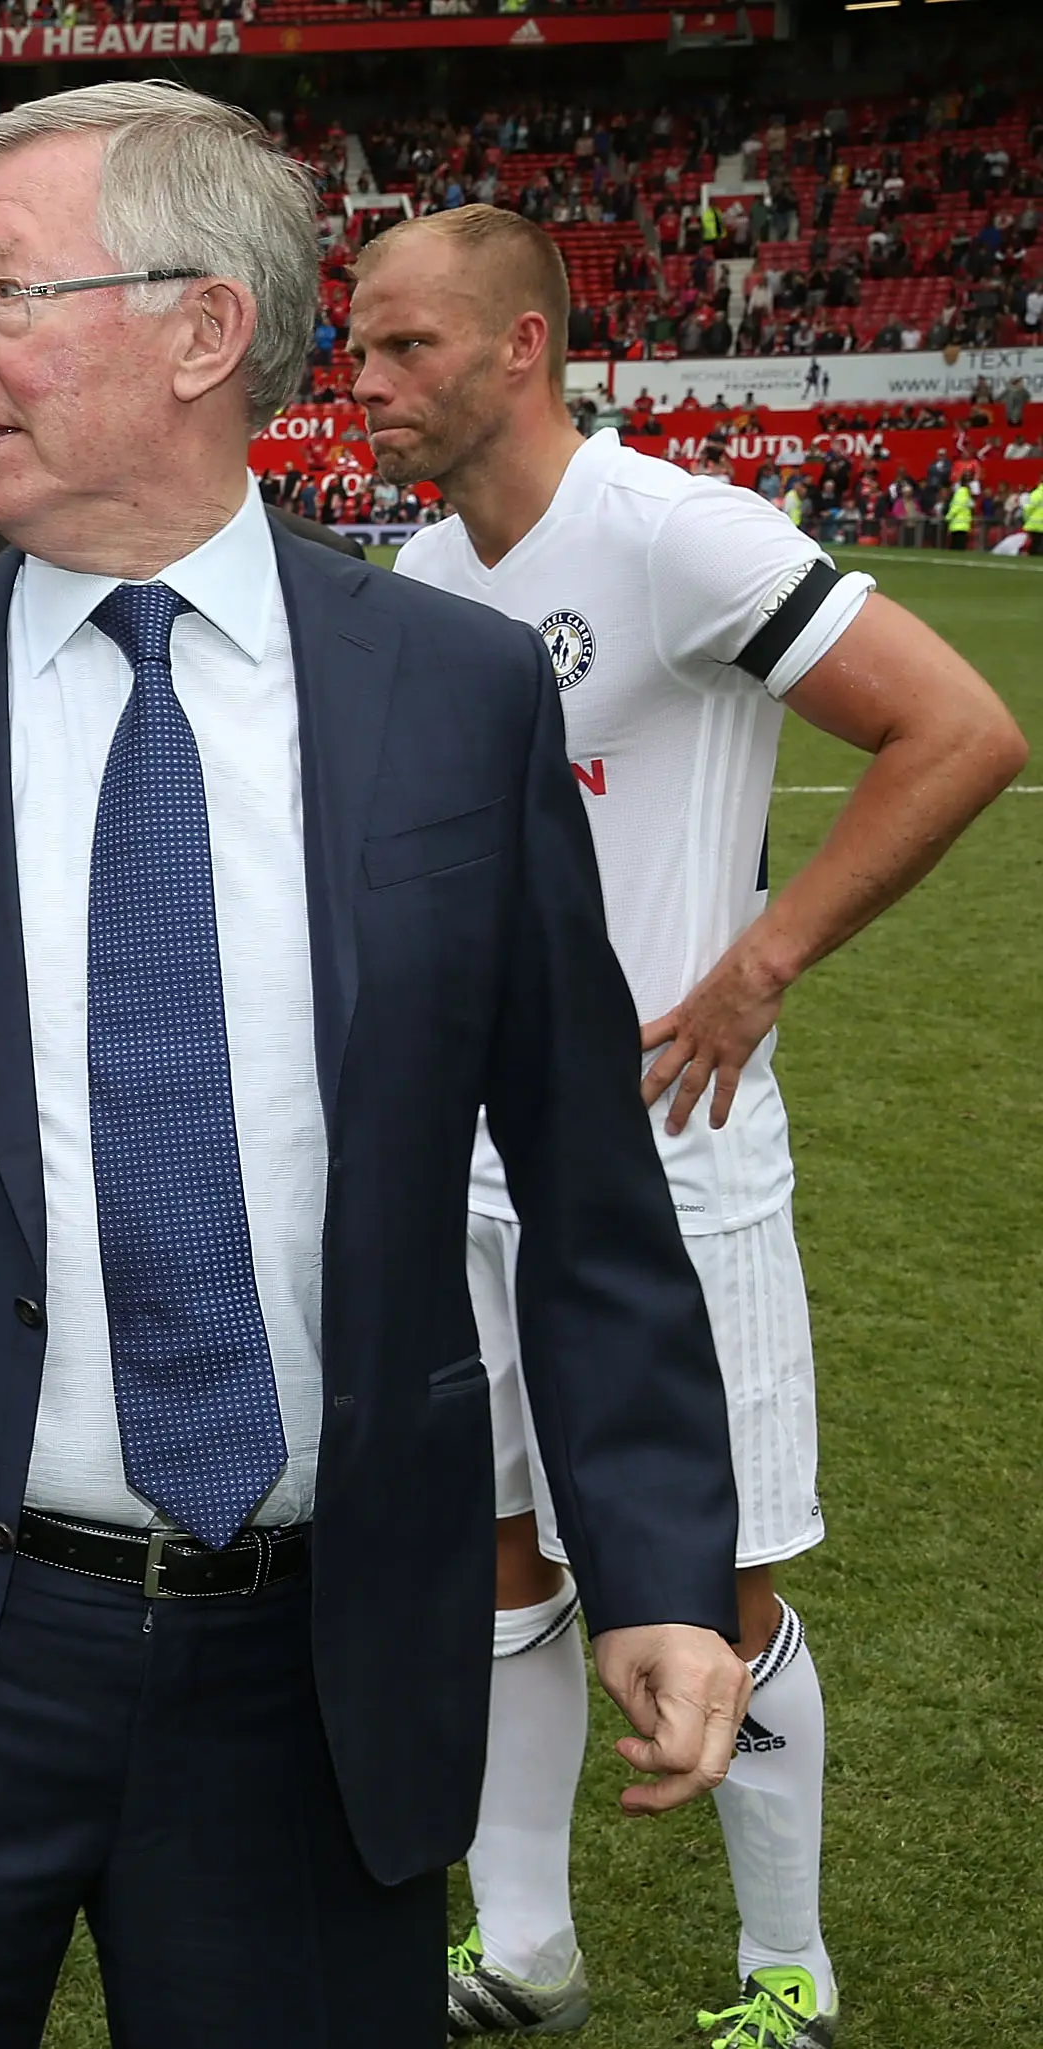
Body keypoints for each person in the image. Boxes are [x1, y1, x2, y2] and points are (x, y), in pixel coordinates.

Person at [0, 85, 750, 2049]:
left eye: (3, 294)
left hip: (319, 1675)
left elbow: (585, 1175)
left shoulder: (455, 696)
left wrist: (654, 1560)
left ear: (206, 329)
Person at [353, 204, 1027, 2048]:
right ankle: (527, 1943)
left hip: (666, 1151)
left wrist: (761, 961)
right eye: (359, 347)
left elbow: (962, 730)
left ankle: (786, 1968)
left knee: (714, 1579)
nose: (368, 382)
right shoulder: (424, 569)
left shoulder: (674, 533)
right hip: (466, 1161)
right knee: (501, 1554)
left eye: (407, 345)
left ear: (519, 347)